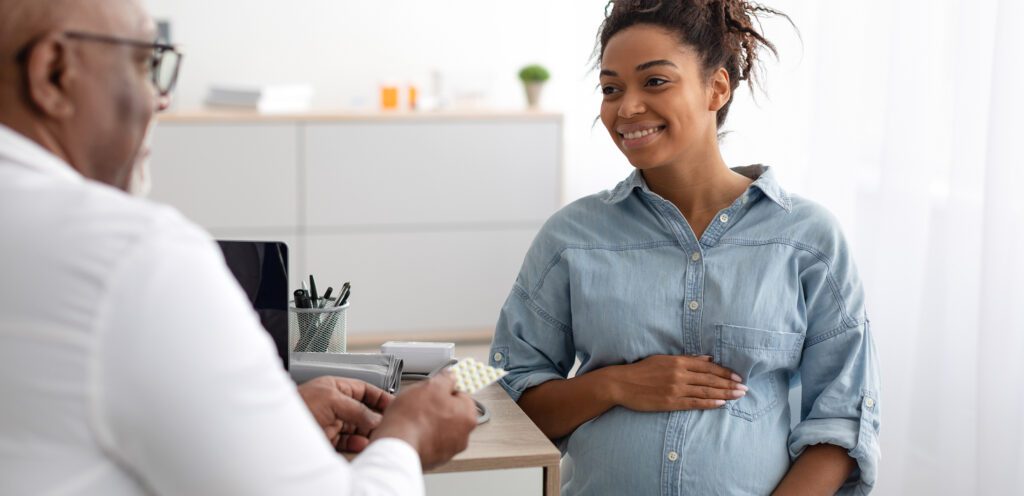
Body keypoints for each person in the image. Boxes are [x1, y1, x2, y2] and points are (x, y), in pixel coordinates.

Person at [0, 0, 477, 494]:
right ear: (53, 73)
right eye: (147, 63)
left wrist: (268, 425)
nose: (161, 99)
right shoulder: (136, 258)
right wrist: (407, 437)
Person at [489, 1, 880, 494]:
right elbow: (504, 392)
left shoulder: (808, 238)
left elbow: (843, 421)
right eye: (611, 89)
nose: (626, 107)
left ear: (716, 87)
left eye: (654, 82)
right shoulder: (570, 238)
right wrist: (614, 385)